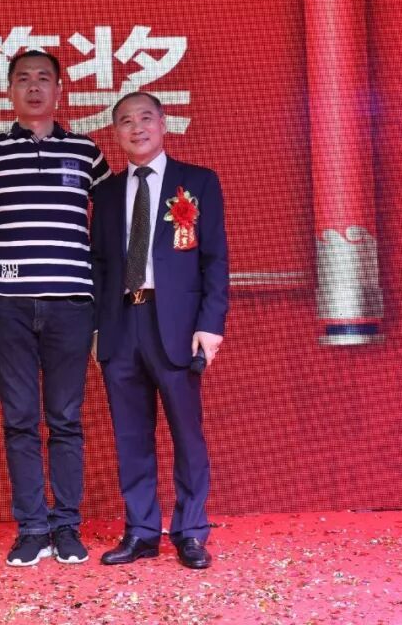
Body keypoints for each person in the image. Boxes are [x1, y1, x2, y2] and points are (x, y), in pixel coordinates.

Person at [0, 50, 111, 566]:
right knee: (19, 419)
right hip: (8, 303)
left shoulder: (86, 151)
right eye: (23, 79)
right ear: (9, 92)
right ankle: (31, 527)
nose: (34, 87)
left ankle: (66, 525)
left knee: (65, 419)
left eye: (44, 79)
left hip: (72, 303)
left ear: (60, 91)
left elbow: (113, 222)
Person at [90, 91, 228, 569]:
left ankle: (190, 531)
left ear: (164, 124)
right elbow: (99, 266)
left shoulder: (198, 182)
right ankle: (142, 530)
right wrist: (97, 329)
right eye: (125, 121)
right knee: (131, 436)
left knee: (187, 434)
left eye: (145, 118)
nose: (137, 128)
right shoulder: (105, 193)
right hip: (120, 324)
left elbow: (215, 260)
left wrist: (210, 325)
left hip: (177, 325)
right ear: (115, 133)